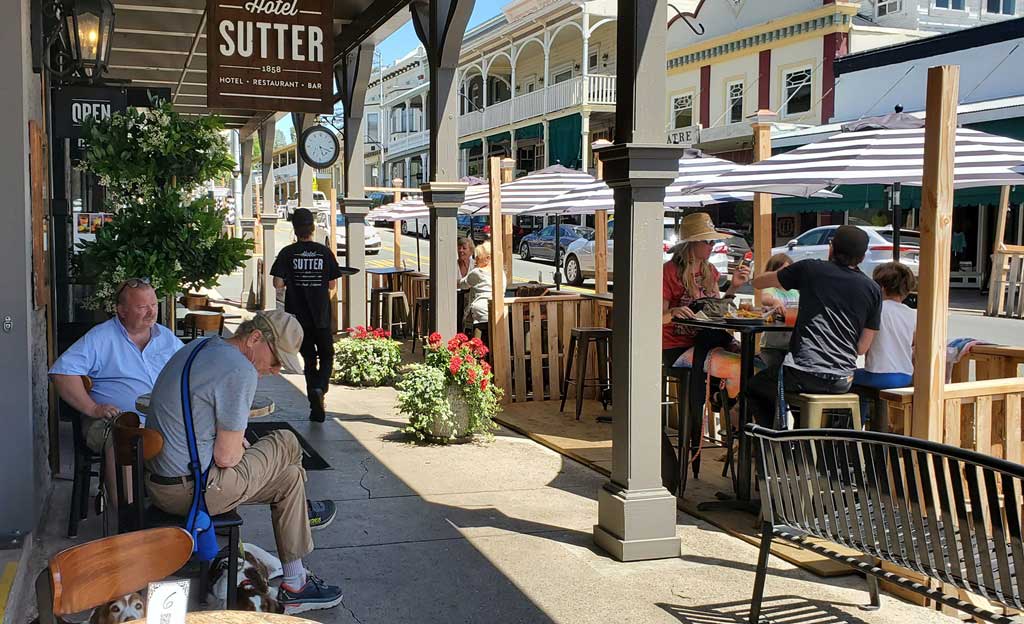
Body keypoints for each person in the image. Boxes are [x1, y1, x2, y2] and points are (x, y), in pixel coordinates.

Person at [145, 310, 343, 615]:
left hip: (163, 480)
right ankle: (304, 510)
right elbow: (227, 457)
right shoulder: (239, 369)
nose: (276, 370)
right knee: (287, 441)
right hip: (192, 491)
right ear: (254, 338)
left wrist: (234, 443)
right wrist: (237, 446)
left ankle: (296, 584)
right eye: (276, 359)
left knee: (290, 477)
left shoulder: (201, 347)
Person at [748, 225, 883, 428]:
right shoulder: (873, 289)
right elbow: (862, 347)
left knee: (755, 387)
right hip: (842, 379)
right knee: (799, 398)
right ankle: (805, 447)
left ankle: (771, 447)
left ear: (831, 248)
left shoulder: (810, 269)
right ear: (862, 258)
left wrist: (765, 277)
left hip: (802, 373)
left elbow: (759, 283)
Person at [661, 213, 749, 484]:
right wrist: (675, 311)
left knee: (750, 362)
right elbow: (654, 317)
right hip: (674, 346)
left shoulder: (710, 271)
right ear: (692, 243)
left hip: (706, 341)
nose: (712, 246)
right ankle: (731, 421)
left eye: (713, 241)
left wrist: (733, 288)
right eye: (707, 241)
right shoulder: (668, 272)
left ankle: (736, 425)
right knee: (737, 366)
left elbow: (715, 312)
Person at [49, 278, 183, 455]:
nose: (152, 312)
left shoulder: (166, 337)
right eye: (142, 307)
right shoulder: (101, 337)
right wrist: (93, 408)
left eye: (154, 304)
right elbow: (62, 373)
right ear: (122, 311)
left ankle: (172, 483)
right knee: (123, 441)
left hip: (163, 419)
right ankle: (123, 484)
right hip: (115, 421)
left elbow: (191, 370)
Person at [271, 208, 345, 422]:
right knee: (327, 354)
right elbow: (332, 284)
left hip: (297, 318)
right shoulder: (324, 252)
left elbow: (277, 283)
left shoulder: (287, 253)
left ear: (295, 230)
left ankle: (315, 404)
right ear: (313, 229)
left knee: (309, 359)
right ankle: (321, 387)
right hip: (320, 314)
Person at [854, 262, 917, 424]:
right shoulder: (912, 315)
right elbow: (914, 344)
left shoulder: (876, 311)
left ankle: (856, 424)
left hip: (878, 376)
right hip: (905, 376)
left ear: (880, 287)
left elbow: (862, 347)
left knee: (846, 380)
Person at [459, 241, 494, 333]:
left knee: (476, 342)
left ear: (487, 258)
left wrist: (474, 268)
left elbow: (463, 284)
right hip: (497, 312)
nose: (476, 259)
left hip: (481, 314)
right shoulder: (501, 273)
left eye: (478, 256)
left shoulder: (478, 272)